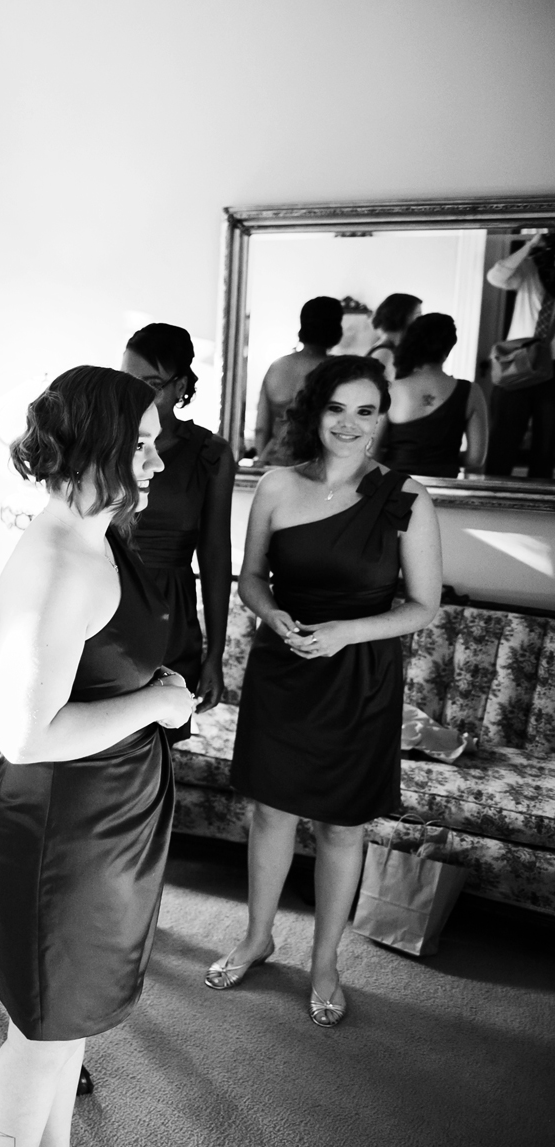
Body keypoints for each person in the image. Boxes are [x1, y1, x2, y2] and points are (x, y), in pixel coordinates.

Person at [0, 366, 194, 1147]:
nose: (156, 463)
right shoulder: (59, 566)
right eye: (141, 446)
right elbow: (26, 737)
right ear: (96, 446)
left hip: (109, 817)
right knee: (42, 1032)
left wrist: (147, 683)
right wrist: (159, 704)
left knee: (71, 1029)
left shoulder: (98, 537)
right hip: (61, 832)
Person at [210, 356, 441, 1028]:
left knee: (344, 826)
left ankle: (325, 961)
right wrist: (269, 612)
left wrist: (347, 632)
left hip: (358, 676)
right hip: (283, 667)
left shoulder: (407, 496)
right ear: (315, 410)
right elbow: (251, 576)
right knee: (271, 813)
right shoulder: (278, 484)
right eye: (338, 407)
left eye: (366, 410)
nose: (350, 423)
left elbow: (423, 605)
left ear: (381, 419)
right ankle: (257, 936)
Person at [123, 322, 236, 732]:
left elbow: (216, 560)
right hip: (106, 604)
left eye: (150, 383)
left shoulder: (211, 455)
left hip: (171, 615)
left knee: (158, 742)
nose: (135, 394)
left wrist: (214, 654)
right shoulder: (106, 445)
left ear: (181, 385)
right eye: (127, 380)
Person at [377, 313, 487, 477]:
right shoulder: (472, 392)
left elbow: (371, 450)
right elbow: (475, 459)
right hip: (445, 483)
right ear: (449, 347)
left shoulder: (391, 390)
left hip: (395, 486)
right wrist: (442, 462)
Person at [483, 231, 555, 479]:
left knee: (548, 444)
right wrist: (531, 245)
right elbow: (495, 275)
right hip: (518, 362)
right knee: (503, 436)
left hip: (553, 370)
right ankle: (493, 492)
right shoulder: (529, 271)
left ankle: (537, 503)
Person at [255, 297, 343, 465]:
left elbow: (261, 427)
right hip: (315, 465)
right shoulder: (335, 370)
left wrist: (261, 460)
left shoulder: (277, 366)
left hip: (275, 461)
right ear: (335, 327)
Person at [366, 292, 423, 376]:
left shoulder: (394, 349)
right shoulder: (384, 353)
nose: (421, 320)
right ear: (402, 316)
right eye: (418, 315)